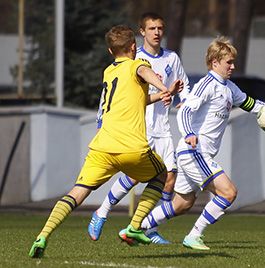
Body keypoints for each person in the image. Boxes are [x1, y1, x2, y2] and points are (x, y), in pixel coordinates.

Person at [28, 24, 184, 258]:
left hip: (101, 147)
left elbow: (136, 100)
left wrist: (159, 94)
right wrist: (164, 87)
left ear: (111, 52)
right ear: (134, 47)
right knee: (162, 175)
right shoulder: (138, 64)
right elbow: (144, 72)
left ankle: (42, 236)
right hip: (131, 147)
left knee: (77, 192)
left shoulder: (109, 72)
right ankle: (134, 227)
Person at [127, 36, 265, 250]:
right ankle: (194, 235)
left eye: (233, 62)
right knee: (228, 192)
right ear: (214, 62)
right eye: (228, 62)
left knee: (182, 203)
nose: (233, 66)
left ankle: (136, 228)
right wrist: (190, 132)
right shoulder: (206, 84)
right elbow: (185, 111)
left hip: (199, 154)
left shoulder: (229, 87)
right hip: (194, 151)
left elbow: (250, 103)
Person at [88, 12, 189, 244]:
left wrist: (182, 98)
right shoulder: (133, 59)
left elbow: (183, 87)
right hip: (138, 128)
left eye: (160, 28)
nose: (157, 33)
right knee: (134, 177)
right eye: (152, 28)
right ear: (142, 32)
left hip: (162, 127)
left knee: (169, 178)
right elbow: (108, 96)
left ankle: (148, 228)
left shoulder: (172, 58)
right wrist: (100, 122)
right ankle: (102, 212)